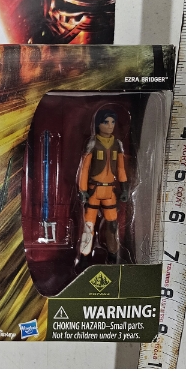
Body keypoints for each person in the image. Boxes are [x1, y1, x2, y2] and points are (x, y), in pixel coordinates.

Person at [78, 109, 129, 266]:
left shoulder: (117, 144)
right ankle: (85, 257)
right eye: (106, 122)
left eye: (113, 122)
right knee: (89, 226)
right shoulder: (93, 143)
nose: (110, 125)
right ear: (98, 124)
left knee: (112, 225)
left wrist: (125, 188)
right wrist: (83, 190)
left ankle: (113, 256)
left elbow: (121, 169)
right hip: (94, 191)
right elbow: (84, 168)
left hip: (110, 192)